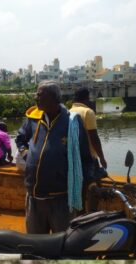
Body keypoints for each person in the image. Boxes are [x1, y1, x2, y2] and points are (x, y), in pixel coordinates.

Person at [15, 81, 94, 234]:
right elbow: (20, 139)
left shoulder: (72, 122)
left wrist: (83, 191)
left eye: (39, 95)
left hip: (61, 200)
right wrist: (26, 154)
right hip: (34, 198)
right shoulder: (34, 119)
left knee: (62, 245)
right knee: (36, 245)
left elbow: (85, 158)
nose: (36, 98)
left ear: (54, 98)